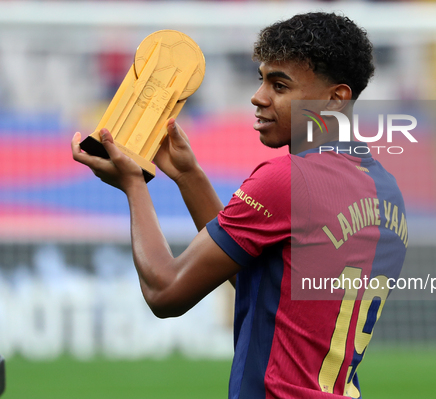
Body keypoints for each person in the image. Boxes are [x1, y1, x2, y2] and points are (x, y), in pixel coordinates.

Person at [72, 12, 407, 398]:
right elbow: (264, 284)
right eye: (261, 79)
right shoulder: (386, 192)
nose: (259, 96)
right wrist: (189, 176)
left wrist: (133, 184)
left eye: (279, 85)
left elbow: (165, 292)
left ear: (335, 99)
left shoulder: (288, 179)